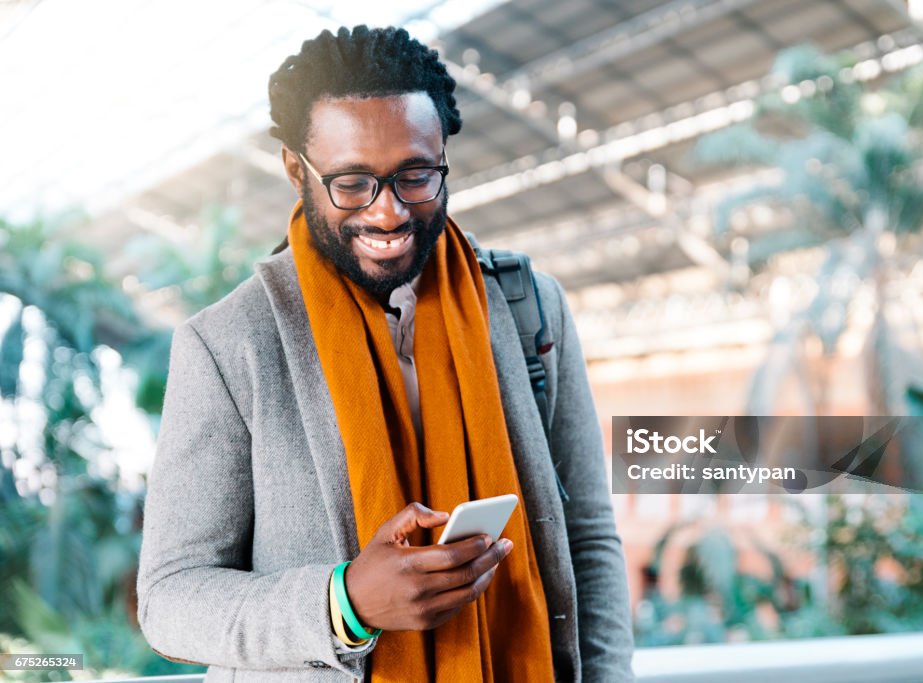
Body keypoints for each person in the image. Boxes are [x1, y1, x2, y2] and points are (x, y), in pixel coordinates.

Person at [136, 25, 634, 682]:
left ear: (442, 154)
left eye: (415, 175)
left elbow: (588, 538)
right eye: (352, 183)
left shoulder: (527, 307)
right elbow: (170, 599)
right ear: (296, 170)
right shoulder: (229, 344)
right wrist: (344, 601)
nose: (389, 212)